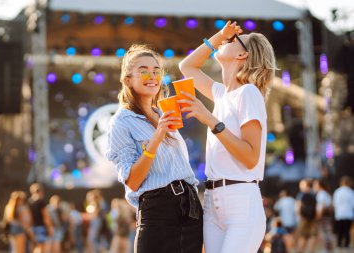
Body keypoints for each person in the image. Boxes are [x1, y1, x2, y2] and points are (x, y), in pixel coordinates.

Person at [178, 20, 276, 252]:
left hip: (241, 201)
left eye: (232, 41)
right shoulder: (221, 94)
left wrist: (210, 120)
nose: (227, 41)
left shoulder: (249, 93)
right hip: (213, 201)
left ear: (243, 55)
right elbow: (187, 67)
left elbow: (251, 157)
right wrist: (219, 36)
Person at [106, 44, 203, 253]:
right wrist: (157, 136)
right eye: (143, 71)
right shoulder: (121, 122)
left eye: (156, 71)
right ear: (127, 79)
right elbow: (132, 181)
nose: (152, 76)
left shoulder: (164, 113)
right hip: (159, 211)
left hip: (192, 208)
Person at [28, 183, 53, 253]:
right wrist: (50, 227)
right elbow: (46, 216)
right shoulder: (41, 201)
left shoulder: (29, 201)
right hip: (40, 227)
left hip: (32, 227)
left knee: (35, 246)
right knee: (41, 247)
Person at [295, 179, 317, 253]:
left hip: (303, 218)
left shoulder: (301, 194)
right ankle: (311, 251)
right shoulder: (313, 194)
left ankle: (300, 251)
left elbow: (298, 207)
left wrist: (299, 216)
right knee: (312, 236)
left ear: (305, 185)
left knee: (302, 236)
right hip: (312, 218)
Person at [333, 176, 354, 249]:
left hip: (339, 214)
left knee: (339, 230)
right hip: (348, 214)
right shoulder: (351, 192)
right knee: (346, 230)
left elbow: (335, 203)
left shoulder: (337, 191)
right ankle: (346, 245)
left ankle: (339, 244)